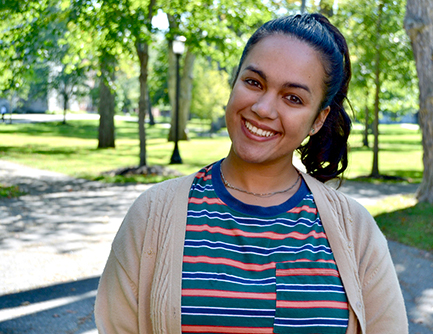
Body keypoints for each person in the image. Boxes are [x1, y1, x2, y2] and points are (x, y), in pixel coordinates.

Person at [95, 13, 408, 334]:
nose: (264, 108)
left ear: (318, 119)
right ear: (235, 81)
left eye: (293, 98)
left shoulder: (355, 231)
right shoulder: (152, 215)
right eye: (254, 82)